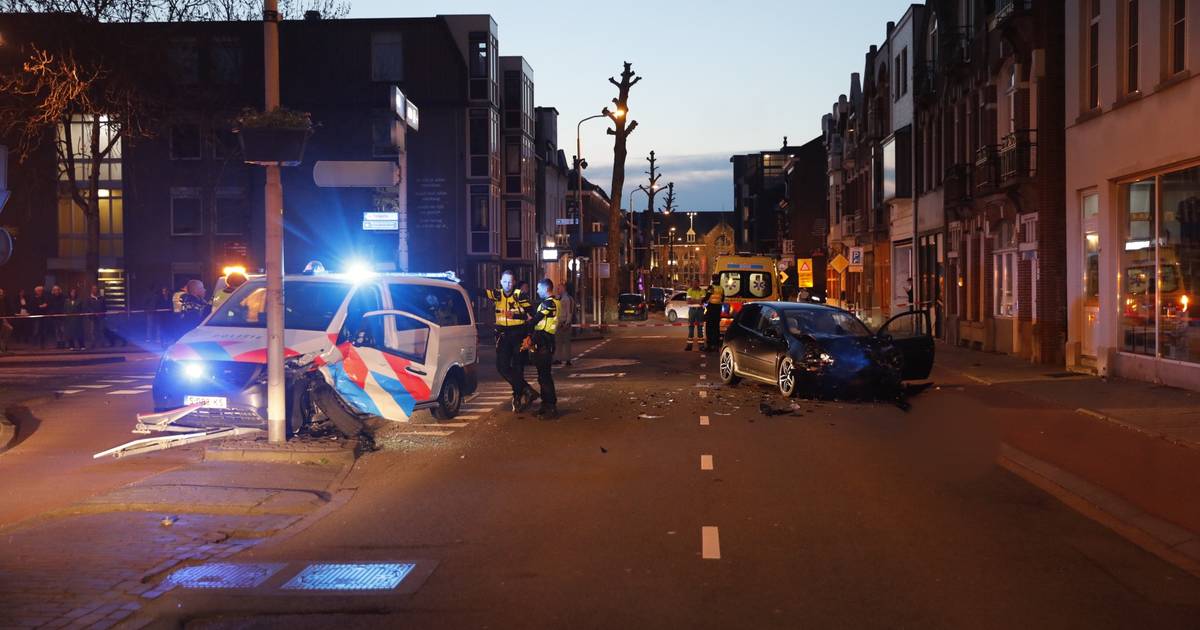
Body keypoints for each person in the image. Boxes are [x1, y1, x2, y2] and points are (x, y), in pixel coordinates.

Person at [485, 269, 537, 412]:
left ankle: (517, 396)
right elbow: (479, 291)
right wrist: (457, 280)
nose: (508, 284)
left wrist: (515, 317)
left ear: (514, 282)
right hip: (503, 335)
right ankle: (526, 389)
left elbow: (533, 315)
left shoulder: (520, 296)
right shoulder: (497, 294)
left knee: (518, 367)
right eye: (505, 281)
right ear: (501, 282)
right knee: (502, 367)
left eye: (510, 281)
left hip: (518, 333)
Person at [527, 278, 560, 418]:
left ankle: (551, 407)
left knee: (545, 377)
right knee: (542, 377)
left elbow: (536, 320)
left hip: (545, 342)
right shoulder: (549, 303)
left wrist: (525, 327)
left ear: (546, 289)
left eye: (538, 288)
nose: (537, 291)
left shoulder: (549, 304)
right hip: (542, 342)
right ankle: (545, 405)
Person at [702, 273, 724, 352]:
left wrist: (702, 301)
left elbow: (707, 297)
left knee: (709, 327)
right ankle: (716, 346)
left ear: (713, 279)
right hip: (718, 309)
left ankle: (709, 346)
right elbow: (722, 299)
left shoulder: (711, 287)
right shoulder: (721, 288)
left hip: (711, 308)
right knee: (716, 328)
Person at [553, 284, 574, 366]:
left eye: (559, 289)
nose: (557, 290)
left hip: (565, 322)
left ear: (564, 289)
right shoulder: (558, 298)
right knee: (558, 342)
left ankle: (568, 359)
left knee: (567, 342)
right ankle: (558, 358)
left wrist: (567, 322)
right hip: (558, 323)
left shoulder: (568, 299)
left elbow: (570, 312)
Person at [684, 280, 706, 351]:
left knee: (700, 328)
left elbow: (703, 301)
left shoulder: (702, 291)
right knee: (691, 327)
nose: (695, 284)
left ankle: (701, 346)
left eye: (696, 283)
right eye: (694, 283)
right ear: (692, 283)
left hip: (700, 310)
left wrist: (693, 300)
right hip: (692, 310)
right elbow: (688, 301)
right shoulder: (689, 290)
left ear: (698, 283)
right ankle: (689, 346)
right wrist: (698, 301)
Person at [47, 285, 66, 349]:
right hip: (55, 316)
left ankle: (63, 343)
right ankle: (58, 343)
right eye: (54, 290)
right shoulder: (51, 297)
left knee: (62, 330)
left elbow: (64, 305)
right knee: (57, 330)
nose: (56, 291)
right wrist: (52, 313)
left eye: (57, 290)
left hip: (61, 316)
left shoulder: (63, 297)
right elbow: (50, 306)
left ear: (59, 290)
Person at [0, 288, 12, 353]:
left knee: (9, 329)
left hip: (3, 319)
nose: (1, 294)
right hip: (1, 320)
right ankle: (2, 348)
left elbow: (3, 311)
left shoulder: (3, 301)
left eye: (2, 293)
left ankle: (3, 348)